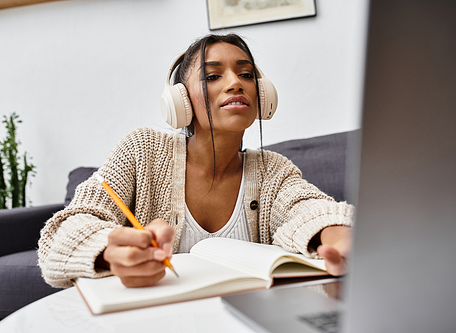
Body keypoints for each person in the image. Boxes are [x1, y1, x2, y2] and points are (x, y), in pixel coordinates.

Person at [38, 33, 354, 289]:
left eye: (246, 74)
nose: (235, 83)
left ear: (263, 96)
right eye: (213, 75)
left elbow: (307, 209)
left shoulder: (273, 170)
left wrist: (338, 236)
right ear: (180, 101)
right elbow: (65, 231)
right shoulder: (141, 150)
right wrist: (109, 252)